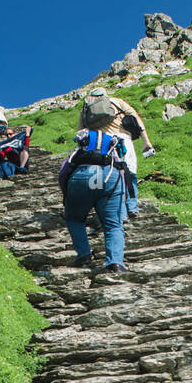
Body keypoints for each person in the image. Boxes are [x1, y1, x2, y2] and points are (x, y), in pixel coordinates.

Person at [79, 87, 155, 220]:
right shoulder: (117, 102)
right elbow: (137, 120)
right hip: (123, 140)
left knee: (110, 176)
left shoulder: (86, 108)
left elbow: (81, 131)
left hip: (101, 144)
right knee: (129, 173)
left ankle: (118, 212)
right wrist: (146, 142)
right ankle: (132, 207)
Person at [60, 129, 129, 275]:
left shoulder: (76, 154)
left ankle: (84, 255)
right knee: (113, 225)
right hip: (111, 178)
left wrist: (66, 196)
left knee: (75, 219)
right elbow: (123, 176)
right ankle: (115, 263)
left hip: (81, 177)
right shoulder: (113, 155)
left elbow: (63, 173)